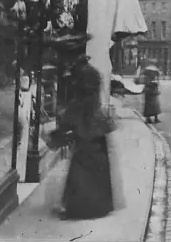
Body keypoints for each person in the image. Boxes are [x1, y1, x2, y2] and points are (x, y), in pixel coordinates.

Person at [50, 59, 116, 220]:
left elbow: (79, 104)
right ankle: (98, 206)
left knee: (82, 170)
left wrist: (63, 124)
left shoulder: (83, 79)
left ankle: (81, 209)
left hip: (87, 127)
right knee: (95, 168)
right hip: (94, 127)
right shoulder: (91, 73)